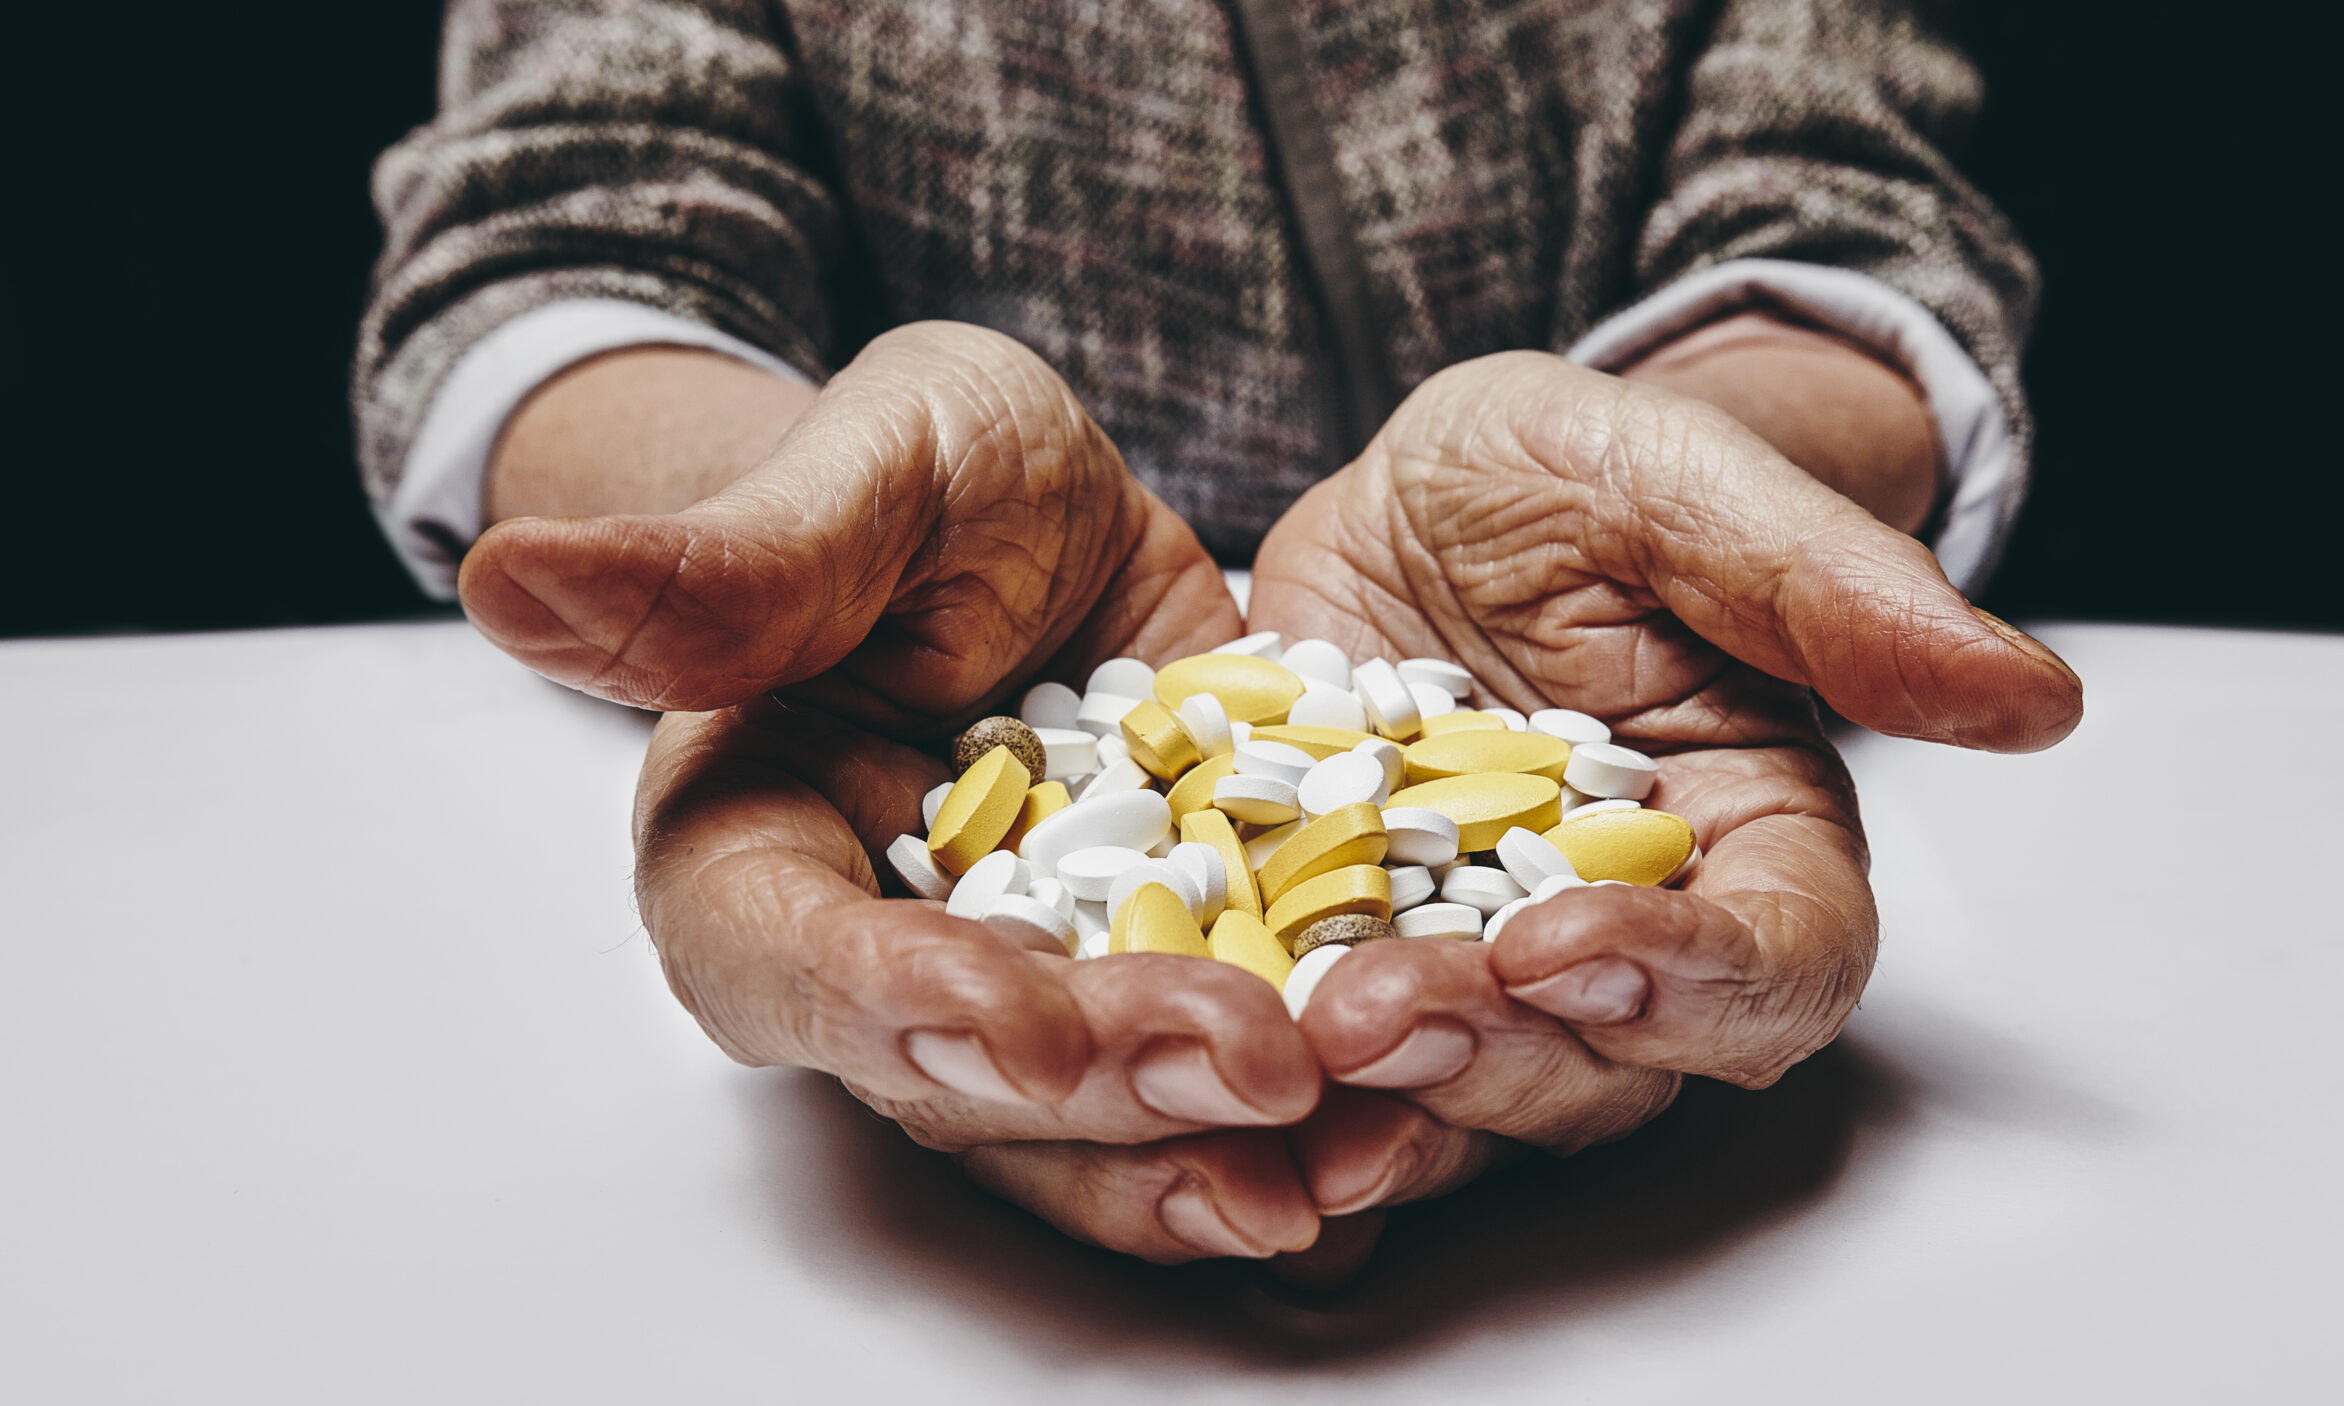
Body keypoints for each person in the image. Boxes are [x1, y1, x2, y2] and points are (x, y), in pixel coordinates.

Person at [356, 0, 2082, 1278]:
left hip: (1526, 641)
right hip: (963, 653)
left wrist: (1707, 487)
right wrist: (803, 530)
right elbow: (560, 247)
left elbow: (1845, 213)